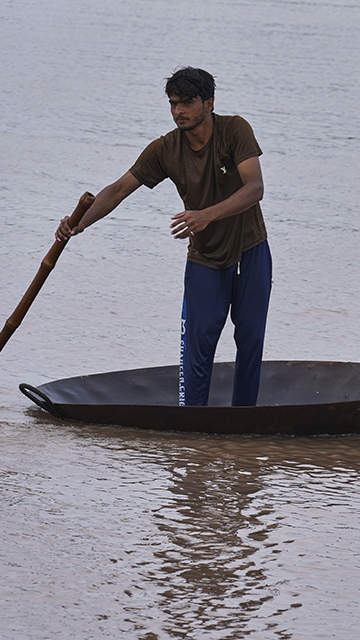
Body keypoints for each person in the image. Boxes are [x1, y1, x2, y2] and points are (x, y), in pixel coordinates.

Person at [56, 67, 272, 407]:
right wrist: (78, 222)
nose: (178, 112)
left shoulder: (235, 130)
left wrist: (206, 214)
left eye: (187, 103)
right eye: (173, 103)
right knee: (198, 347)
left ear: (209, 103)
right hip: (205, 257)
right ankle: (192, 423)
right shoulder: (165, 149)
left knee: (250, 340)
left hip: (251, 251)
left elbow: (255, 188)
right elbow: (117, 190)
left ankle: (243, 419)